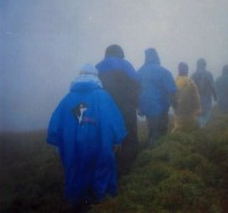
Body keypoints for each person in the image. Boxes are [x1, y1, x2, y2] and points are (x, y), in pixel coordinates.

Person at [46, 64, 127, 210]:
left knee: (75, 171)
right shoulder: (103, 96)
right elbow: (113, 120)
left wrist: (57, 142)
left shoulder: (68, 99)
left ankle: (78, 203)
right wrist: (116, 139)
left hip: (73, 147)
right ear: (96, 77)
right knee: (101, 168)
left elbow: (56, 122)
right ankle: (100, 201)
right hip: (99, 144)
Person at [96, 44, 141, 175]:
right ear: (120, 53)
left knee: (107, 138)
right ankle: (126, 170)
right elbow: (138, 84)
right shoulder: (126, 65)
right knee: (129, 138)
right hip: (126, 109)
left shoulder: (97, 67)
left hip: (105, 111)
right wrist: (135, 103)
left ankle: (109, 169)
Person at [137, 48, 177, 146]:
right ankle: (156, 155)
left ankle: (151, 153)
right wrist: (176, 106)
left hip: (146, 108)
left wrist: (139, 107)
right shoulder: (163, 71)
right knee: (160, 133)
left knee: (152, 130)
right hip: (160, 107)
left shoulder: (140, 72)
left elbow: (135, 90)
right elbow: (172, 90)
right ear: (157, 57)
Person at [172, 62, 201, 133]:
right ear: (187, 70)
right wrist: (198, 109)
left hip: (178, 112)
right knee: (190, 131)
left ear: (179, 70)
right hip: (189, 113)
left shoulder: (174, 82)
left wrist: (175, 108)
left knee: (178, 130)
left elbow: (172, 97)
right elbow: (196, 97)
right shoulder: (190, 82)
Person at [191, 58, 217, 127]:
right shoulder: (209, 74)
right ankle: (204, 130)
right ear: (205, 65)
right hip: (207, 99)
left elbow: (190, 88)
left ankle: (199, 130)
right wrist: (215, 97)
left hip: (196, 100)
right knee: (206, 116)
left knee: (198, 116)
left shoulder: (194, 75)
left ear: (197, 65)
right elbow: (213, 86)